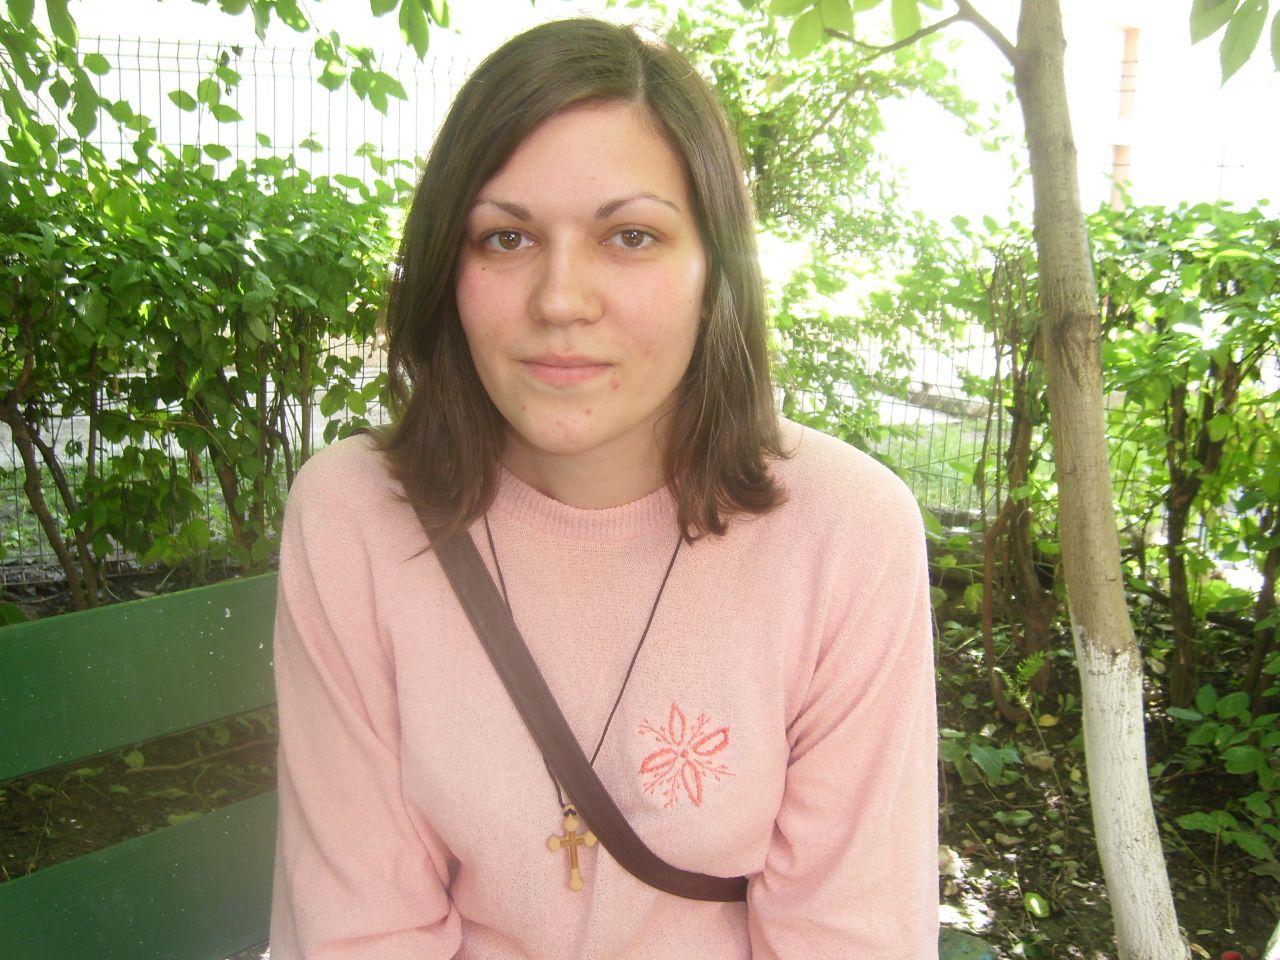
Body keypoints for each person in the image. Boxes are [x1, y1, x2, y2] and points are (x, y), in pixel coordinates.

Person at [268, 15, 938, 959]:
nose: (560, 300)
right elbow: (362, 930)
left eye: (630, 235)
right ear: (448, 267)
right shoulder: (353, 517)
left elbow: (850, 935)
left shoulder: (847, 534)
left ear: (716, 272)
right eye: (506, 238)